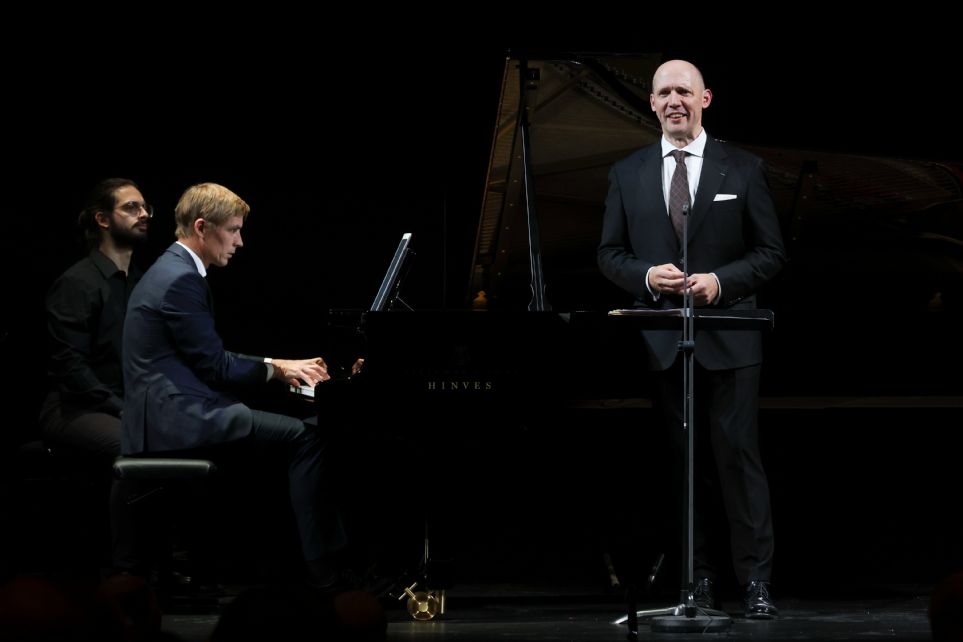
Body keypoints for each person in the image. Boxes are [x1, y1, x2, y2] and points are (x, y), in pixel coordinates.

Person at [597, 59, 786, 619]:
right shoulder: (627, 172)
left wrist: (720, 282)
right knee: (685, 469)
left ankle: (755, 581)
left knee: (738, 462)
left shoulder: (743, 168)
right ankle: (696, 579)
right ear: (652, 103)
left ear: (705, 99)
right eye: (664, 93)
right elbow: (609, 253)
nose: (674, 100)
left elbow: (771, 252)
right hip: (663, 341)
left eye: (684, 91)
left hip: (730, 338)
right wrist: (646, 277)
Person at [119, 182, 347, 588]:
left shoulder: (173, 269)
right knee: (306, 438)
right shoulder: (180, 279)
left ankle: (284, 569)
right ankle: (326, 572)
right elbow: (216, 367)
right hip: (176, 419)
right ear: (202, 227)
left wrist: (277, 365)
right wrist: (278, 370)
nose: (240, 242)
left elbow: (208, 357)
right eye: (234, 230)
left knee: (282, 434)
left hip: (169, 411)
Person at [40, 178, 151, 455]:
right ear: (102, 219)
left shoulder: (142, 283)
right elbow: (70, 366)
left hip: (125, 404)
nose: (143, 214)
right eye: (131, 207)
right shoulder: (78, 282)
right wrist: (122, 408)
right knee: (138, 445)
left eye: (145, 207)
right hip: (75, 408)